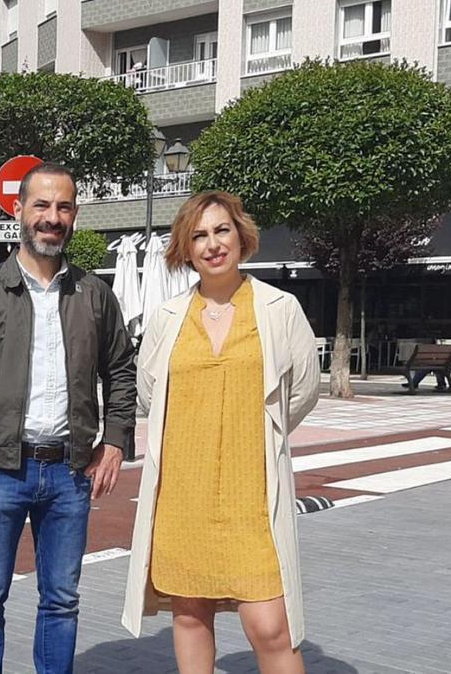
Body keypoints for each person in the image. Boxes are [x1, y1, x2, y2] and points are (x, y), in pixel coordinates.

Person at [0, 163, 137, 674]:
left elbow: (120, 369)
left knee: (62, 600)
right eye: (42, 206)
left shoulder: (93, 294)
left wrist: (115, 440)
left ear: (74, 215)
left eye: (64, 207)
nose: (53, 217)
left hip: (70, 475)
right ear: (20, 210)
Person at [121, 191, 320, 674]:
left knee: (272, 626)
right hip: (181, 495)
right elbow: (149, 393)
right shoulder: (167, 317)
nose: (212, 244)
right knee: (189, 616)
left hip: (251, 493)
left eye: (221, 230)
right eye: (199, 235)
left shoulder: (279, 308)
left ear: (241, 235)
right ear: (185, 250)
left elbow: (303, 390)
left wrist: (250, 435)